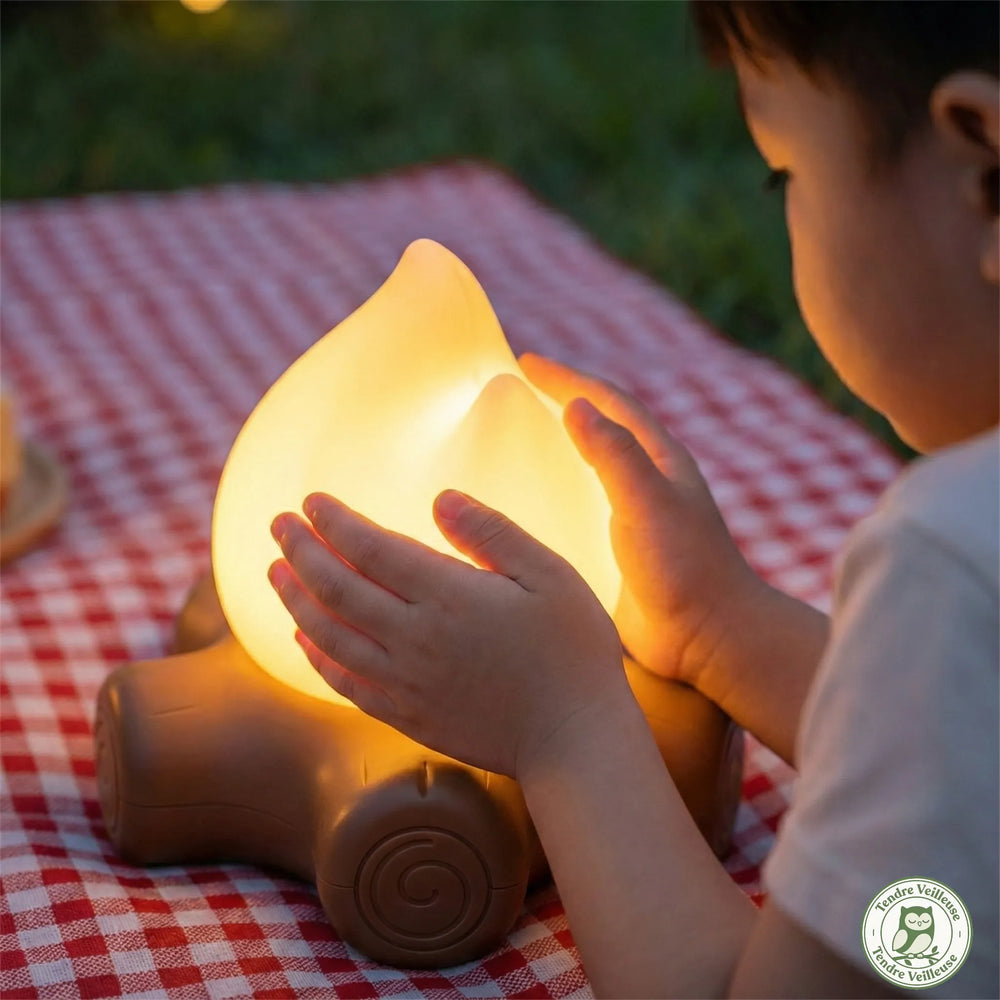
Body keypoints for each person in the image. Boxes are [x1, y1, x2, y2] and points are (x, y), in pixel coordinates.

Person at [266, 2, 999, 995]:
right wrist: (716, 623)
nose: (783, 204)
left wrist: (562, 725)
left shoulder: (948, 557)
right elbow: (961, 758)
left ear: (984, 170)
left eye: (785, 170)